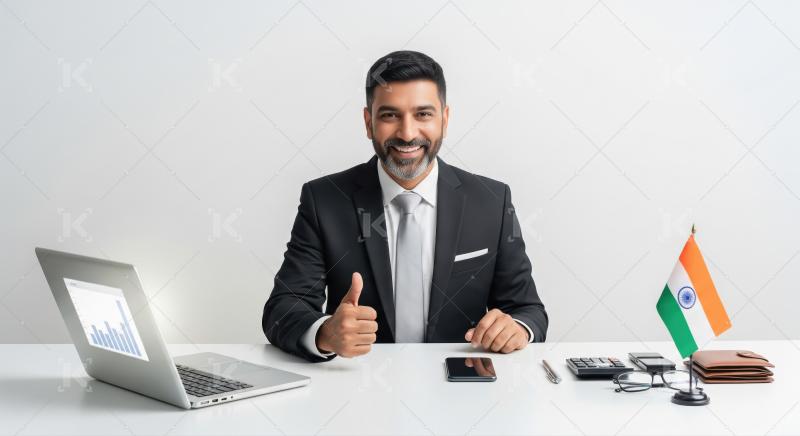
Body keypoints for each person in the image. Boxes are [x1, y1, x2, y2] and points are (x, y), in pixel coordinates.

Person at [263, 50, 548, 362]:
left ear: (445, 119)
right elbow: (283, 308)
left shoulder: (492, 200)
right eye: (390, 115)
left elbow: (528, 309)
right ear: (368, 122)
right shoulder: (325, 200)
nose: (408, 133)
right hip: (357, 390)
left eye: (423, 114)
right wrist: (323, 332)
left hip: (461, 389)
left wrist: (517, 327)